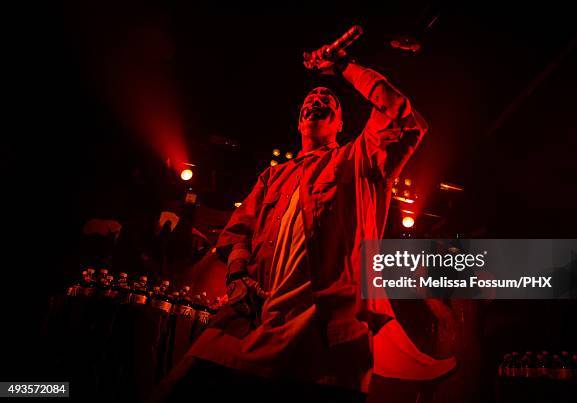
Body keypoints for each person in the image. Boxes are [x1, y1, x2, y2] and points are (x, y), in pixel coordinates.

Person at [153, 46, 455, 403]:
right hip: (255, 321)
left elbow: (404, 119)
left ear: (341, 124)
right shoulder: (273, 177)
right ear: (299, 122)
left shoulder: (358, 160)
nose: (318, 97)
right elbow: (240, 228)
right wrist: (237, 274)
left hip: (326, 334)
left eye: (328, 99)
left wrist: (344, 67)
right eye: (311, 97)